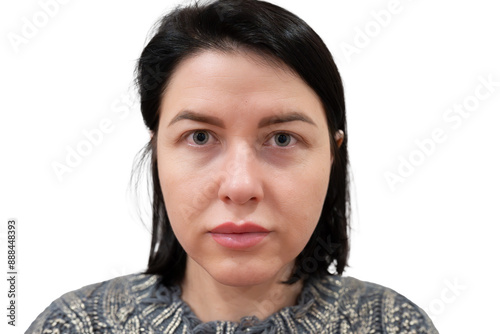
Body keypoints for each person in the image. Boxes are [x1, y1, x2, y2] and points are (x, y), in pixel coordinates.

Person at [27, 0, 438, 333]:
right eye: (201, 137)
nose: (240, 187)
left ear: (333, 153)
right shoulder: (72, 325)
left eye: (282, 139)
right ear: (157, 151)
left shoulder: (394, 325)